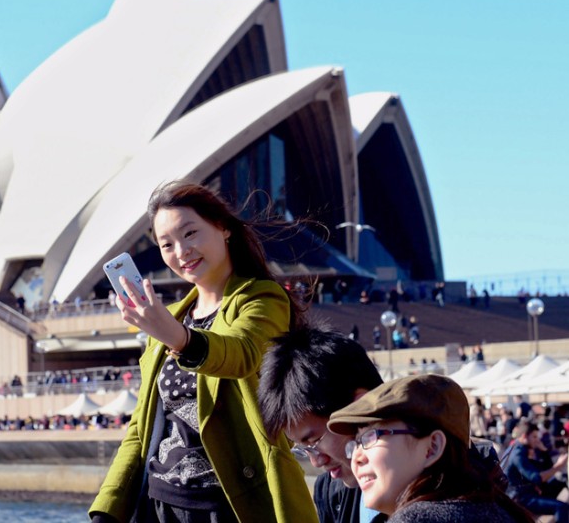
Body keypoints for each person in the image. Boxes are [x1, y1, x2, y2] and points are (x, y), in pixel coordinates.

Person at [89, 181, 316, 523]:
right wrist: (107, 510)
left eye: (190, 233)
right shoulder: (171, 318)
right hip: (159, 506)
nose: (181, 251)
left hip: (230, 506)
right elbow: (141, 427)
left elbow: (244, 355)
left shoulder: (261, 298)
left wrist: (182, 340)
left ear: (223, 228)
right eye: (167, 244)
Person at [327, 374, 533, 523]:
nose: (356, 457)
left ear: (432, 447)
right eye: (355, 443)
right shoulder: (496, 508)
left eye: (370, 436)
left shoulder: (417, 519)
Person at [258, 323, 384, 523]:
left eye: (315, 440)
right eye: (303, 448)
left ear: (361, 407)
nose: (316, 461)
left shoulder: (435, 490)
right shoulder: (329, 491)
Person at [501, 421, 569, 522]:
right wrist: (558, 466)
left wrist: (544, 451)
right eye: (534, 437)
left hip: (527, 492)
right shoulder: (518, 453)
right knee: (562, 507)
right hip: (520, 498)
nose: (537, 440)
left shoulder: (520, 448)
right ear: (524, 436)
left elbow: (544, 469)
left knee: (561, 480)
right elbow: (537, 478)